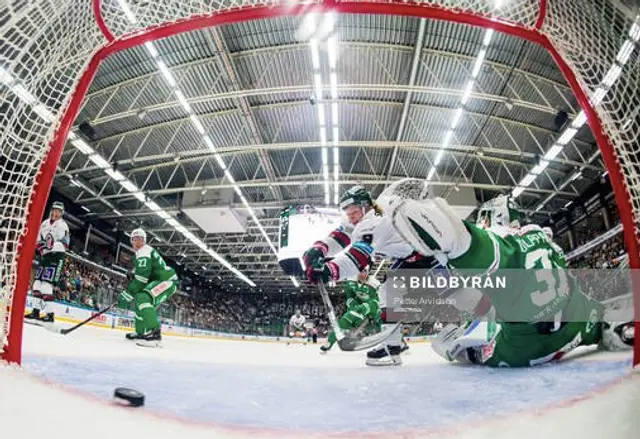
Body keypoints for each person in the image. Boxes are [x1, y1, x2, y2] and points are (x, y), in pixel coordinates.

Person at [376, 178, 634, 367]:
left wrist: (442, 246)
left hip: (528, 345)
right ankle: (609, 328)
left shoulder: (499, 241)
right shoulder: (540, 236)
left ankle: (468, 351)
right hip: (579, 320)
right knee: (591, 313)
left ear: (490, 218)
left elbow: (471, 248)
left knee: (453, 348)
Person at [303, 185, 433, 365]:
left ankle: (393, 346)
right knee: (387, 292)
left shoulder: (374, 222)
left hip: (428, 257)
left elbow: (357, 259)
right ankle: (394, 346)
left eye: (354, 212)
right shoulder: (360, 217)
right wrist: (319, 249)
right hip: (409, 259)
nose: (350, 217)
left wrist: (329, 271)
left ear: (366, 207)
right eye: (348, 213)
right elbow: (341, 235)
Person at [117, 228, 179, 347]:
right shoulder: (141, 253)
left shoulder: (144, 251)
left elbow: (142, 278)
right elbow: (144, 277)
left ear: (143, 240)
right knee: (139, 302)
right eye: (134, 239)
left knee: (142, 298)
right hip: (159, 281)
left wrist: (127, 295)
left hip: (167, 281)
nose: (136, 242)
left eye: (139, 239)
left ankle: (155, 335)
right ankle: (141, 333)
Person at [25, 202, 69, 323]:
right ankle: (35, 311)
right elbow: (38, 240)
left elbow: (65, 244)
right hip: (44, 257)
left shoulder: (63, 226)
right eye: (54, 210)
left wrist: (50, 246)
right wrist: (40, 247)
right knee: (37, 284)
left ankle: (50, 315)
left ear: (61, 213)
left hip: (56, 257)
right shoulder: (44, 223)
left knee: (46, 285)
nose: (56, 213)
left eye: (58, 211)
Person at [320, 273, 383, 358]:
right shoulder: (350, 281)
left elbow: (379, 299)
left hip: (373, 308)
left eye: (365, 271)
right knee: (347, 318)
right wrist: (353, 304)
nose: (362, 273)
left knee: (381, 325)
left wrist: (368, 307)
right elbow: (349, 297)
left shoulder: (374, 283)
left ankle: (397, 343)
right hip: (358, 307)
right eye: (360, 270)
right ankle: (330, 342)